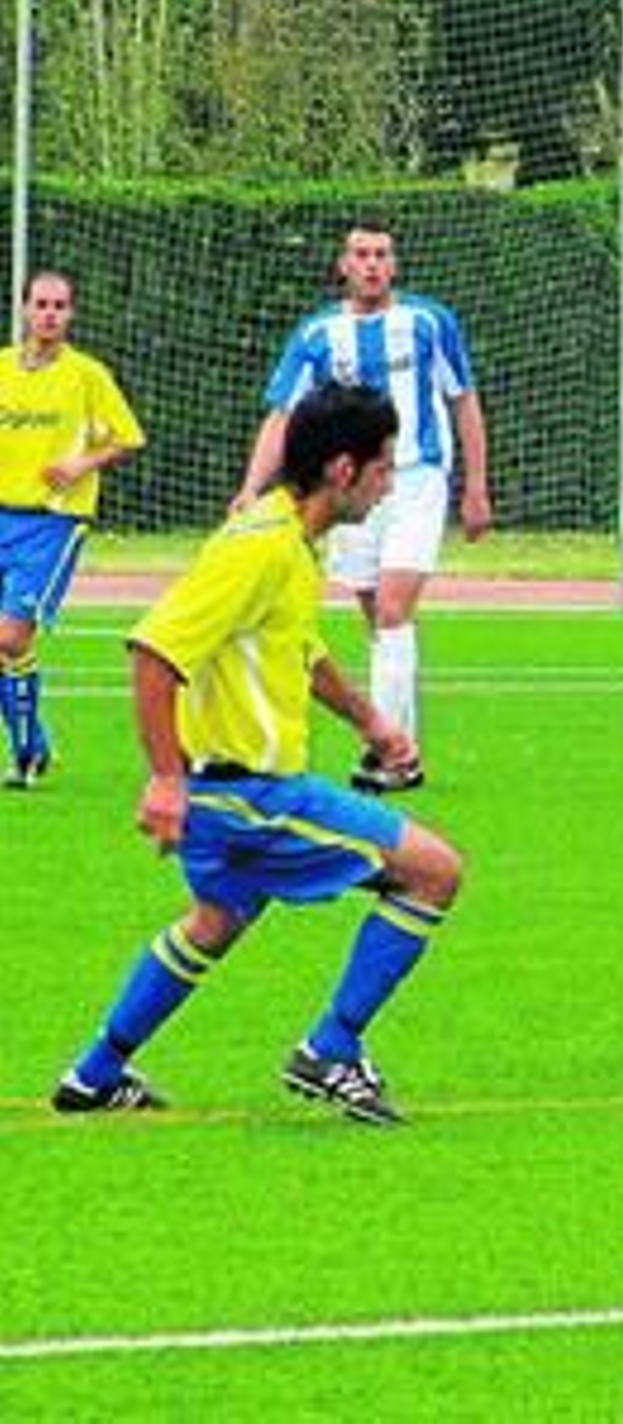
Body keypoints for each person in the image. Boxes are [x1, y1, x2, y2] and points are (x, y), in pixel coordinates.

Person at [51, 383, 463, 1126]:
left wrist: (370, 719)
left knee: (215, 921)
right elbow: (153, 652)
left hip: (229, 795)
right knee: (434, 872)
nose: (390, 481)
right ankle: (331, 1049)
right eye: (384, 465)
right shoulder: (258, 549)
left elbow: (300, 652)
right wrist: (166, 780)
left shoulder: (293, 542)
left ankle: (95, 1074)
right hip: (249, 796)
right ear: (342, 469)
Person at [234, 223, 492, 793]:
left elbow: (463, 400)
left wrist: (476, 486)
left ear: (394, 265)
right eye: (361, 254)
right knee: (379, 618)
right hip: (349, 491)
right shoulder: (318, 335)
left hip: (417, 480)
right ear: (343, 265)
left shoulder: (429, 322)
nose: (372, 264)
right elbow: (282, 414)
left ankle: (384, 754)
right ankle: (407, 748)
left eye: (381, 255)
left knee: (396, 610)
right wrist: (252, 486)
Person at [0, 270, 145, 788]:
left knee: (12, 636)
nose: (49, 314)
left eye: (59, 306)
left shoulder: (88, 375)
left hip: (54, 522)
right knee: (4, 644)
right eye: (40, 304)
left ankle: (24, 758)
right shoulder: (2, 369)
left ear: (72, 314)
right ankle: (34, 747)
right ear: (23, 310)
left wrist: (81, 464)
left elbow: (128, 438)